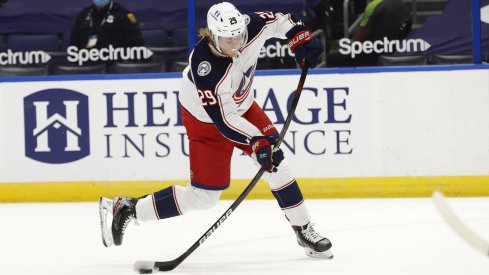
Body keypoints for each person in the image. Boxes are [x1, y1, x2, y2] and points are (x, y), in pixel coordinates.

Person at [99, 2, 332, 259]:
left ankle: (304, 229)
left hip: (242, 106)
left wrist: (299, 38)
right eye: (227, 39)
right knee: (204, 197)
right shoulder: (205, 65)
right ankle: (129, 209)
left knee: (278, 165)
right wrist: (257, 142)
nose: (235, 43)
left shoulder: (250, 25)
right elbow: (224, 119)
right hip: (206, 122)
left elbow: (283, 19)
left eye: (238, 36)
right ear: (212, 35)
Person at [328, 0, 412, 67]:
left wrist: (349, 47)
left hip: (374, 53)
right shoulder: (401, 4)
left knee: (332, 58)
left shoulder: (374, 5)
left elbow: (361, 35)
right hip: (394, 49)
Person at [69, 0, 143, 49]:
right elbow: (74, 43)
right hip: (87, 63)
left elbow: (137, 45)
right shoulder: (84, 14)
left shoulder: (123, 14)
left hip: (115, 65)